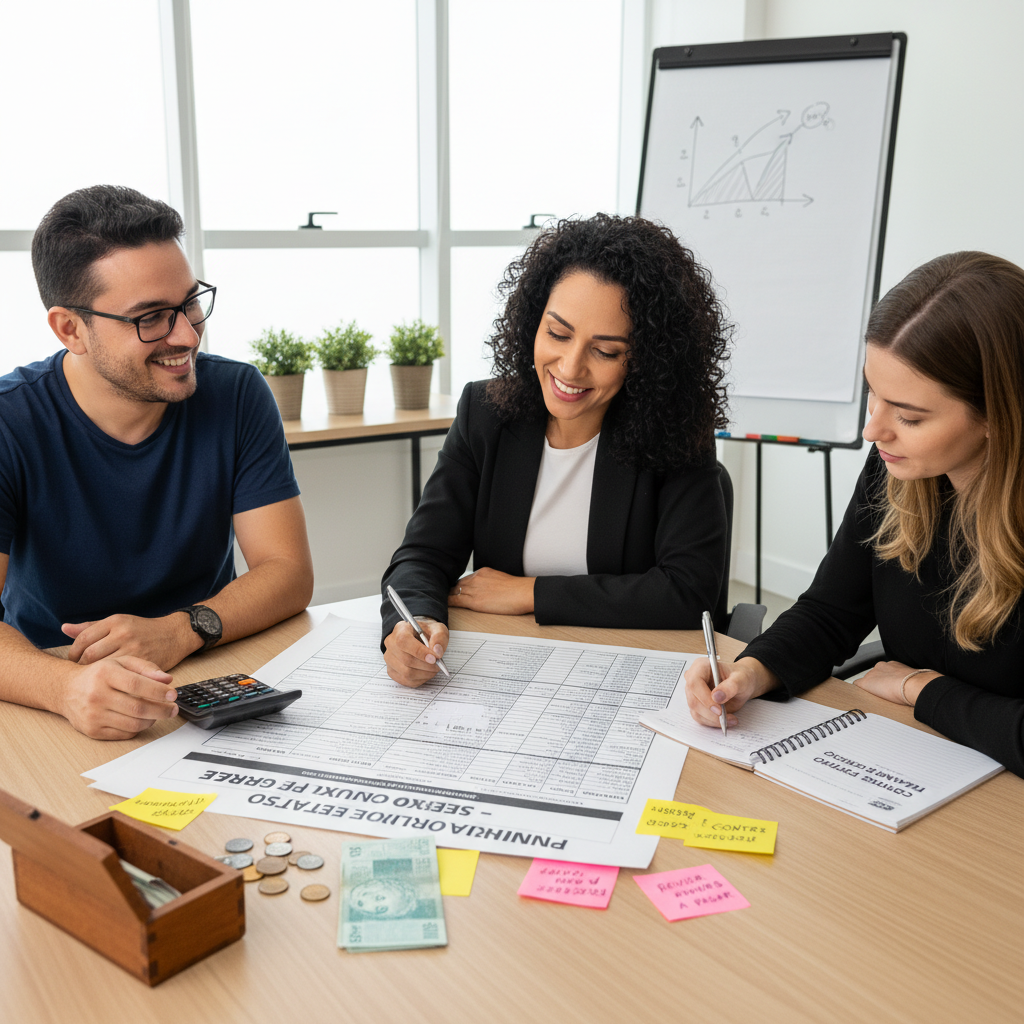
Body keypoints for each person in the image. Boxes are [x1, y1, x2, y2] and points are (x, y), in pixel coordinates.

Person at [685, 251, 1024, 778]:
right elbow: (831, 611)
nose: (875, 431)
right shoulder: (901, 468)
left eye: (909, 416)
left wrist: (921, 688)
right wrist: (753, 670)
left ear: (997, 417)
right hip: (922, 755)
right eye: (873, 394)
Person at [0, 185, 314, 739]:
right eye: (151, 318)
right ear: (70, 329)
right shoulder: (9, 421)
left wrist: (182, 629)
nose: (188, 334)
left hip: (206, 667)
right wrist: (65, 688)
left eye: (191, 302)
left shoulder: (237, 393)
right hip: (51, 685)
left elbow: (287, 573)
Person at [382, 214, 731, 686]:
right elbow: (421, 557)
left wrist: (531, 593)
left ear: (647, 359)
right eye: (558, 333)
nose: (569, 367)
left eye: (605, 351)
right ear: (533, 321)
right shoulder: (484, 414)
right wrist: (411, 624)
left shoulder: (675, 432)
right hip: (507, 673)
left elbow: (689, 592)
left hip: (623, 674)